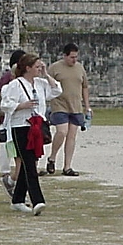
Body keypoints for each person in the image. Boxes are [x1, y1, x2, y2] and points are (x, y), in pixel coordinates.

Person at [0, 53, 62, 216]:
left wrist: (46, 74)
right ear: (28, 68)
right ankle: (37, 200)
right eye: (36, 67)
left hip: (36, 126)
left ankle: (18, 199)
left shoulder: (41, 84)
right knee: (29, 163)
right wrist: (21, 106)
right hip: (21, 126)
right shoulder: (16, 85)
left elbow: (56, 90)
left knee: (32, 160)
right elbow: (5, 104)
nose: (39, 69)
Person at [42, 43, 91, 177]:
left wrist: (87, 106)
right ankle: (52, 157)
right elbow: (46, 84)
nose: (74, 60)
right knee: (62, 131)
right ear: (65, 56)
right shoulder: (55, 68)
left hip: (76, 106)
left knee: (72, 136)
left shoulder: (80, 68)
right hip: (59, 105)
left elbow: (85, 87)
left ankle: (67, 166)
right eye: (71, 57)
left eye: (76, 57)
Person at [0, 49, 25, 198]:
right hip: (8, 117)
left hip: (20, 118)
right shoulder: (9, 77)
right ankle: (7, 173)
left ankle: (14, 176)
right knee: (7, 146)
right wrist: (9, 96)